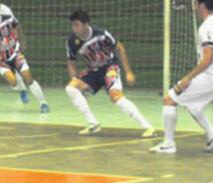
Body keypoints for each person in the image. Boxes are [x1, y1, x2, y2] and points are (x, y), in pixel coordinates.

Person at [150, 0, 213, 154]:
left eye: (195, 4)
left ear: (201, 6)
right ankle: (211, 135)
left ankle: (169, 143)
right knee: (195, 106)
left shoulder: (206, 28)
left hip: (210, 76)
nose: (194, 9)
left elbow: (207, 59)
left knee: (169, 99)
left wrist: (188, 77)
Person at [64, 9, 154, 137]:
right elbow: (71, 62)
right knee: (71, 88)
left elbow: (120, 48)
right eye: (72, 25)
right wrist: (76, 80)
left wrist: (128, 72)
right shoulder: (72, 41)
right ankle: (93, 124)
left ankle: (147, 127)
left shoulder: (100, 34)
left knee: (115, 96)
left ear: (86, 24)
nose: (74, 28)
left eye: (77, 25)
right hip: (93, 71)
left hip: (109, 67)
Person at [0, 0, 49, 113]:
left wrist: (22, 42)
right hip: (1, 60)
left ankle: (43, 103)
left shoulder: (8, 18)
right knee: (13, 82)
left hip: (15, 54)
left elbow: (19, 27)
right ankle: (22, 89)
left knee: (28, 77)